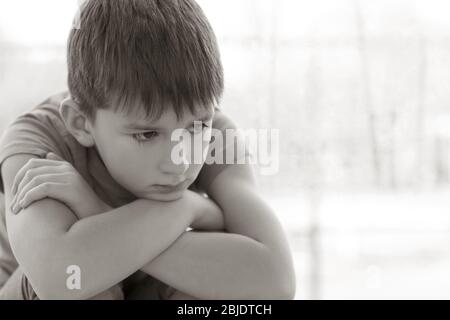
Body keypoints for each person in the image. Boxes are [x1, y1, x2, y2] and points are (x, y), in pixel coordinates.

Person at [0, 0, 295, 300]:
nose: (179, 163)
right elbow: (62, 279)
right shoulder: (37, 139)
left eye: (196, 128)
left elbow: (276, 283)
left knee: (227, 293)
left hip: (141, 287)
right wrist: (188, 209)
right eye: (147, 134)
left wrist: (95, 211)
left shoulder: (217, 132)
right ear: (81, 123)